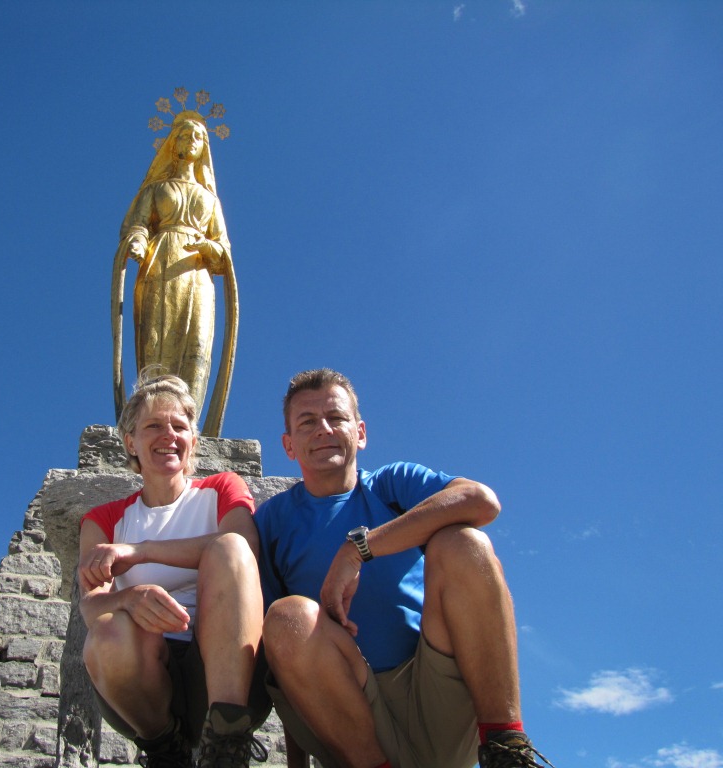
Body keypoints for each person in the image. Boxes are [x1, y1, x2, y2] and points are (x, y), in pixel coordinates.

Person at [254, 369, 554, 768]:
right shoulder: (273, 521)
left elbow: (481, 500)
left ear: (360, 432)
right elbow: (278, 652)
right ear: (289, 445)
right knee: (287, 616)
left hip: (435, 694)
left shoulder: (392, 485)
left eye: (336, 417)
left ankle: (506, 747)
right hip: (350, 713)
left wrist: (357, 550)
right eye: (307, 422)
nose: (324, 429)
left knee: (464, 542)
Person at [79, 372, 269, 768]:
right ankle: (165, 750)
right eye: (153, 426)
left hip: (222, 667)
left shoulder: (222, 489)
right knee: (107, 630)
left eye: (179, 427)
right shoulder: (104, 519)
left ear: (193, 442)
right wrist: (129, 598)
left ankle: (226, 738)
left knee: (229, 547)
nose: (168, 435)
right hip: (144, 681)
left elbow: (245, 548)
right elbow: (91, 605)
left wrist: (142, 551)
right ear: (130, 442)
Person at [111, 111, 238, 437]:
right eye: (184, 134)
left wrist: (209, 248)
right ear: (172, 142)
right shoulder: (155, 189)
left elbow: (223, 247)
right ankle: (151, 419)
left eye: (198, 137)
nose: (191, 141)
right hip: (160, 264)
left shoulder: (210, 199)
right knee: (156, 338)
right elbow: (137, 224)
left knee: (196, 341)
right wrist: (138, 240)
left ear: (204, 147)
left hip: (197, 272)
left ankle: (186, 424)